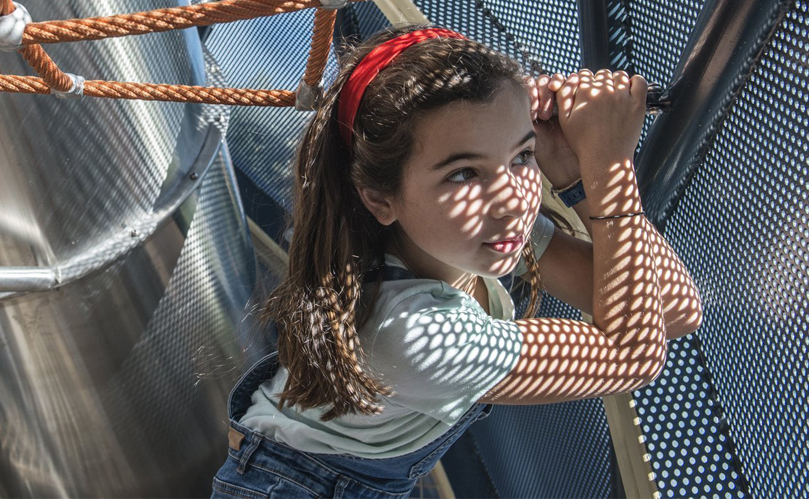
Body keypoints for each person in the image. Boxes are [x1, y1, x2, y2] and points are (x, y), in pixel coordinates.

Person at [211, 26, 702, 498]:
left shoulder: (464, 232)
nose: (511, 201)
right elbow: (632, 354)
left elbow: (675, 310)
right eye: (463, 173)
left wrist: (573, 177)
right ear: (381, 200)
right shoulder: (413, 332)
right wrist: (609, 165)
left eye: (522, 156)